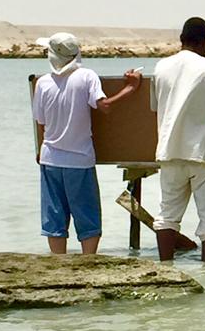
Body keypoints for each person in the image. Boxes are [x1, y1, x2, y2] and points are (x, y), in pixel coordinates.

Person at [32, 32, 142, 255]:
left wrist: (41, 149)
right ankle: (88, 261)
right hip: (79, 159)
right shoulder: (86, 76)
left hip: (50, 158)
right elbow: (104, 106)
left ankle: (58, 264)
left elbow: (41, 123)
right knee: (87, 217)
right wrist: (130, 89)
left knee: (54, 219)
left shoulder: (42, 83)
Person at [151, 17, 205, 262]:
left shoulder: (160, 67)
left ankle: (165, 267)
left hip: (169, 150)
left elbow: (156, 108)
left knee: (167, 214)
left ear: (181, 39)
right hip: (204, 154)